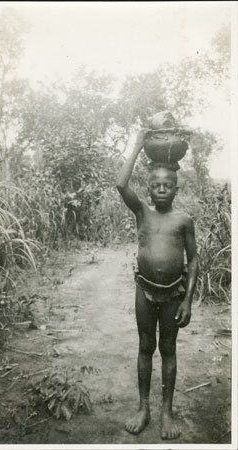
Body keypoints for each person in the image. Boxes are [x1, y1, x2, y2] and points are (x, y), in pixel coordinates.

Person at [116, 129, 198, 440]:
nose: (162, 189)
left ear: (176, 189)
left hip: (174, 293)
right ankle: (143, 407)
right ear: (148, 191)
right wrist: (138, 144)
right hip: (145, 291)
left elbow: (193, 260)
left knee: (168, 348)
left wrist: (188, 299)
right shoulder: (143, 213)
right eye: (156, 186)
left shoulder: (183, 221)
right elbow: (121, 184)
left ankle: (166, 410)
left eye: (168, 186)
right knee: (145, 347)